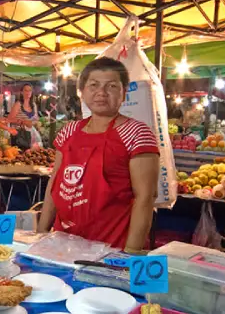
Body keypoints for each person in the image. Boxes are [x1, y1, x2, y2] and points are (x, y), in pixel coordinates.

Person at [37, 57, 160, 252]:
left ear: (124, 93)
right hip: (62, 244)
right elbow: (54, 184)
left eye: (111, 86)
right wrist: (42, 233)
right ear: (82, 92)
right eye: (93, 85)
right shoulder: (69, 131)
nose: (101, 93)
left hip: (111, 247)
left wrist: (129, 253)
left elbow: (145, 197)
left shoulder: (137, 133)